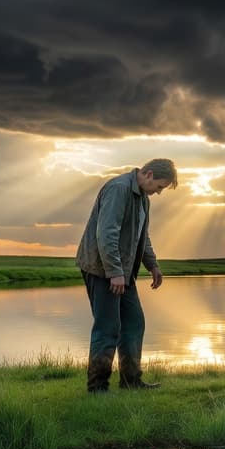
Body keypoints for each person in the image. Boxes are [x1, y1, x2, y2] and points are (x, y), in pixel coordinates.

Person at [76, 158, 178, 393]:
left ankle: (131, 382)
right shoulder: (119, 189)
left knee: (134, 323)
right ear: (149, 174)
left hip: (123, 271)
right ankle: (97, 388)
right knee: (108, 326)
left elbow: (142, 235)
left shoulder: (143, 198)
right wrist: (114, 273)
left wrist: (152, 264)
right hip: (101, 269)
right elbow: (106, 234)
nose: (159, 192)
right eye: (160, 186)